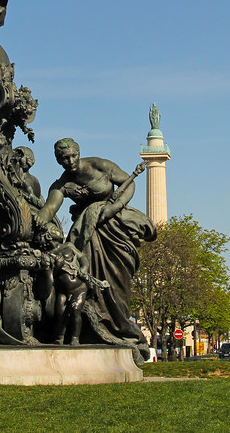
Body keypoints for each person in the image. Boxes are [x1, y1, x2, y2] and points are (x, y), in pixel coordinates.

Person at [38, 139, 156, 353]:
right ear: (58, 160)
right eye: (64, 158)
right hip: (86, 233)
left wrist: (114, 207)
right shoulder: (61, 184)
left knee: (118, 282)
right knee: (82, 282)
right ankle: (88, 330)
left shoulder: (100, 165)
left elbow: (129, 185)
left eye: (73, 155)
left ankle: (121, 329)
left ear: (79, 153)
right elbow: (48, 210)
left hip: (115, 227)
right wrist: (36, 221)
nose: (70, 161)